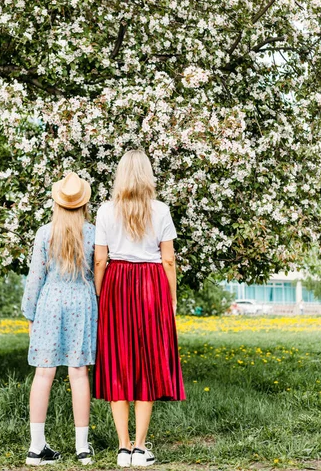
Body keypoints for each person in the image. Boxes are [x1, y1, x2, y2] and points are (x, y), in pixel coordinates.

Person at [94, 150, 186, 468]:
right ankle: (139, 447)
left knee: (119, 362)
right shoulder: (160, 211)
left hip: (117, 283)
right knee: (146, 364)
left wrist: (99, 294)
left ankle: (122, 447)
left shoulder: (106, 211)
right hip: (150, 285)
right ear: (148, 175)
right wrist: (172, 298)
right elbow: (169, 259)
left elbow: (100, 259)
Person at [21, 172, 97, 466]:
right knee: (79, 374)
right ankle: (82, 448)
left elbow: (35, 278)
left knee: (43, 374)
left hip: (50, 303)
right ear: (83, 204)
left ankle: (36, 447)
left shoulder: (44, 232)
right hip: (81, 302)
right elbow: (98, 271)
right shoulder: (92, 233)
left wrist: (30, 315)